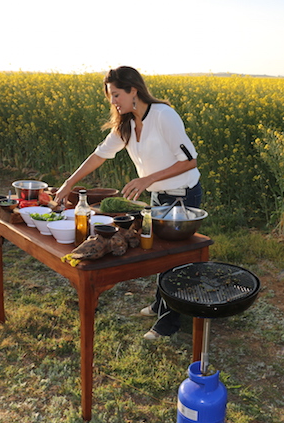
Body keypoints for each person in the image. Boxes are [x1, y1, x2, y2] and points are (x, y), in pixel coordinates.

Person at [54, 66, 202, 340]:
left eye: (116, 95)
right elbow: (99, 156)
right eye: (110, 96)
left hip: (183, 194)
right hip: (160, 195)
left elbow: (190, 160)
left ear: (134, 90)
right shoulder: (126, 124)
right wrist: (69, 183)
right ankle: (162, 304)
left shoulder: (163, 116)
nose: (113, 101)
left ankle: (168, 324)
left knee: (174, 258)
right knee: (160, 252)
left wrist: (146, 180)